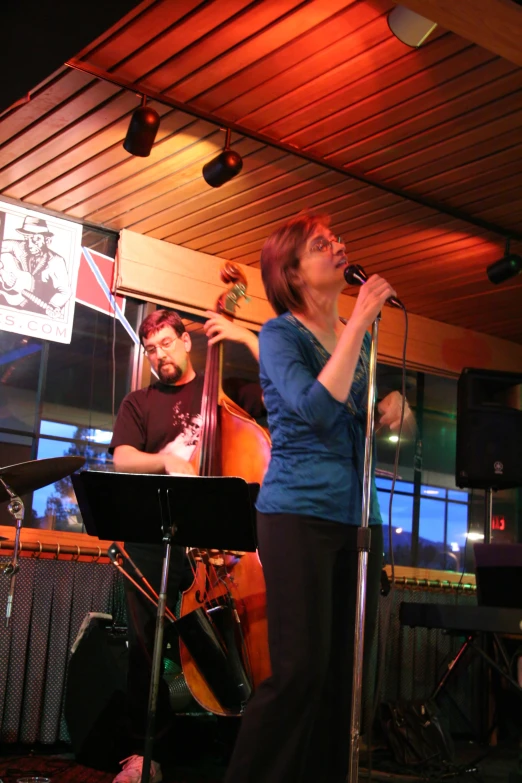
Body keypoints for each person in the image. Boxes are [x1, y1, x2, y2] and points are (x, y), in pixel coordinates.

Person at [224, 213, 412, 783]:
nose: (338, 245)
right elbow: (313, 410)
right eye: (320, 244)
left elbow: (354, 414)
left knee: (345, 677)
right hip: (296, 514)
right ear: (293, 272)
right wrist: (358, 323)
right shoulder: (281, 334)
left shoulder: (363, 334)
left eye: (336, 237)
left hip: (357, 517)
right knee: (300, 670)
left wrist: (394, 405)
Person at [108, 307, 261, 783]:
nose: (159, 355)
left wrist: (246, 336)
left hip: (219, 551)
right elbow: (122, 459)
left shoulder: (226, 395)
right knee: (147, 649)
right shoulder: (139, 402)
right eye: (151, 349)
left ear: (187, 341)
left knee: (227, 646)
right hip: (154, 542)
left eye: (167, 344)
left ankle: (242, 748)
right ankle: (147, 753)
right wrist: (167, 460)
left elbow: (280, 395)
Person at [0, 216, 71, 317]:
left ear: (47, 241)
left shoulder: (56, 261)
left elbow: (64, 291)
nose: (29, 245)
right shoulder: (17, 246)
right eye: (26, 238)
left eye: (36, 239)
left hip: (34, 311)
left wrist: (53, 305)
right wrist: (2, 272)